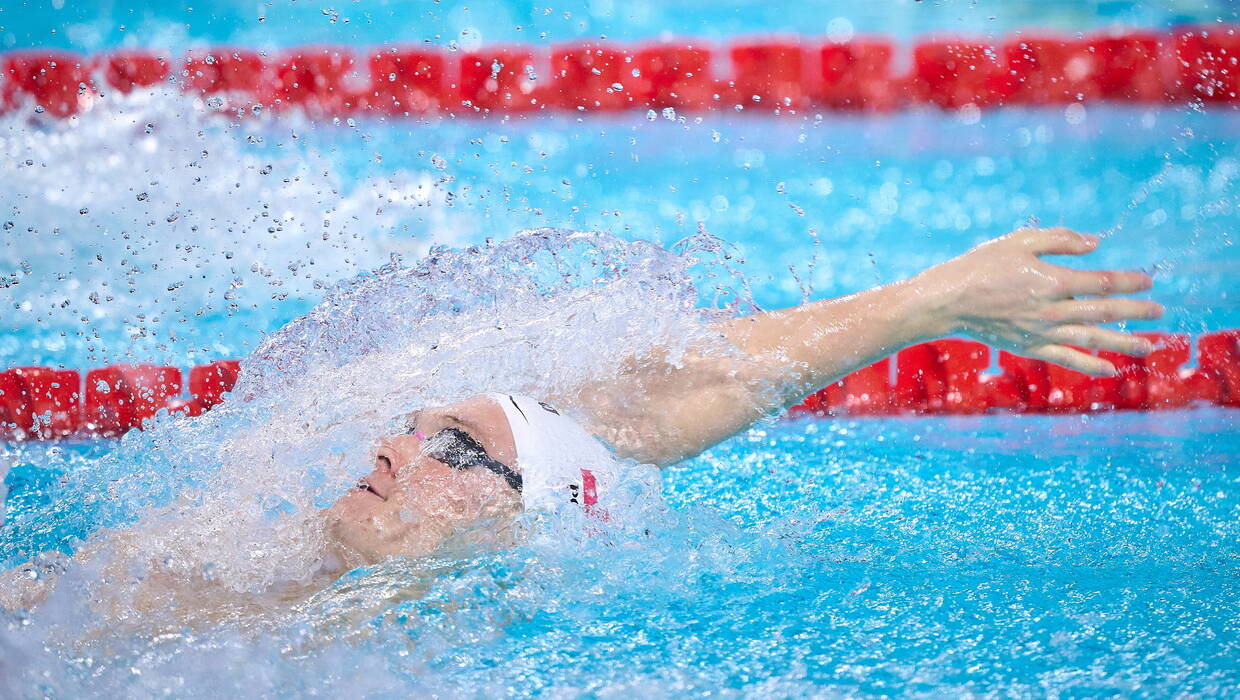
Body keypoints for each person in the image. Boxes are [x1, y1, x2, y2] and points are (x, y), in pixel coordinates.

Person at [2, 227, 1161, 620]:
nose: (393, 449)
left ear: (523, 531)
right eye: (415, 427)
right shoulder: (196, 560)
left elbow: (635, 420)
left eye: (457, 448)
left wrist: (925, 304)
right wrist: (923, 306)